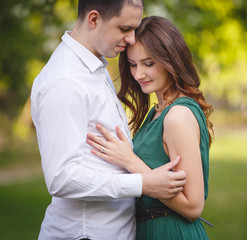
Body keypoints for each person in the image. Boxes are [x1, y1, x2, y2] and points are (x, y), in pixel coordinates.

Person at [30, 1, 187, 239]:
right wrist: (142, 183)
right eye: (124, 29)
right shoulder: (66, 80)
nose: (132, 39)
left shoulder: (95, 68)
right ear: (94, 19)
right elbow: (61, 178)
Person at [86, 16, 214, 239]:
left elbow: (193, 207)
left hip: (172, 231)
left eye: (149, 63)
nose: (138, 74)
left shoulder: (178, 116)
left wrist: (130, 161)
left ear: (170, 60)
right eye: (133, 65)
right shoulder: (157, 113)